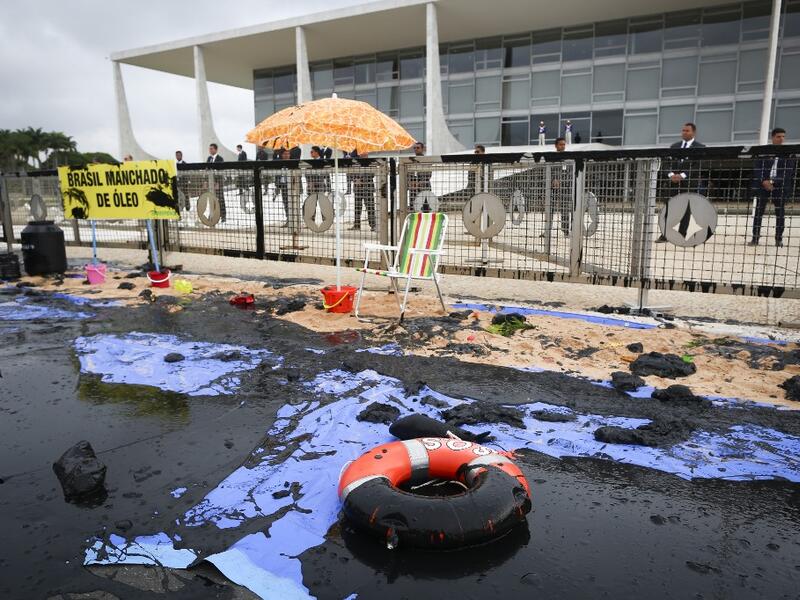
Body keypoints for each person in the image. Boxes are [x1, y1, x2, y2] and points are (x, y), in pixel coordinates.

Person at [656, 123, 707, 242]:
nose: (684, 132)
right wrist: (671, 175)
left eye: (687, 131)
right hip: (672, 183)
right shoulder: (674, 146)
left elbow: (699, 165)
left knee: (685, 210)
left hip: (689, 184)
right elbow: (665, 163)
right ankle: (665, 234)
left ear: (693, 132)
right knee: (669, 209)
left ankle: (681, 235)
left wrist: (683, 175)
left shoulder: (700, 147)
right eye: (683, 130)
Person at [750, 127, 795, 248]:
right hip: (763, 185)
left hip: (780, 187)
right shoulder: (764, 151)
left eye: (783, 137)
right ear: (773, 137)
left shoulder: (789, 153)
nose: (781, 139)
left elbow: (788, 171)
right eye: (779, 136)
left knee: (780, 212)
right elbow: (757, 167)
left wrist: (772, 182)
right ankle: (755, 238)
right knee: (759, 211)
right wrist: (764, 181)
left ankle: (778, 239)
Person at [348, 151, 376, 230]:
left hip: (368, 189)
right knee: (357, 208)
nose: (363, 154)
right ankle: (357, 225)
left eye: (365, 152)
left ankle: (373, 225)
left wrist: (361, 180)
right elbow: (350, 173)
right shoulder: (355, 162)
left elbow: (372, 174)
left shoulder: (371, 162)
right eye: (362, 152)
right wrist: (355, 180)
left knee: (370, 207)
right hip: (357, 189)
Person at [407, 141, 432, 211]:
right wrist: (410, 182)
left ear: (422, 149)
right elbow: (407, 173)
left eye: (418, 148)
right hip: (413, 186)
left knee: (425, 206)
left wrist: (419, 182)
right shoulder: (410, 160)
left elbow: (428, 174)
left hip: (424, 186)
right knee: (413, 206)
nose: (416, 149)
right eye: (414, 148)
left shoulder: (426, 160)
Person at [206, 143, 226, 222]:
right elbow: (207, 170)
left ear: (216, 149)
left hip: (218, 183)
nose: (210, 150)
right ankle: (212, 214)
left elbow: (221, 171)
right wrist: (206, 181)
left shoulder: (220, 159)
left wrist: (217, 183)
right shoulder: (209, 158)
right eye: (209, 149)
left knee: (220, 199)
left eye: (211, 148)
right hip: (211, 182)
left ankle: (223, 216)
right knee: (212, 199)